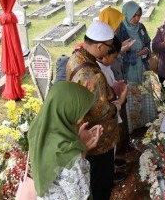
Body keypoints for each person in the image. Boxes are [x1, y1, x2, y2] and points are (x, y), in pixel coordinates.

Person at [66, 20, 128, 200]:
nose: (109, 51)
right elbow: (103, 111)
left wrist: (108, 90)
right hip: (99, 138)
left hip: (81, 127)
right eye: (109, 47)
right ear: (100, 46)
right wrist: (119, 101)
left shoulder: (76, 57)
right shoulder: (93, 74)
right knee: (101, 182)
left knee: (92, 177)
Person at [28, 81, 103, 200]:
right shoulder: (69, 153)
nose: (83, 117)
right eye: (81, 110)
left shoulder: (37, 130)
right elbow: (79, 195)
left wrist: (78, 142)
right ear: (68, 109)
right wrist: (79, 150)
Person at [116, 1, 155, 132]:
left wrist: (146, 52)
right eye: (133, 15)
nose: (136, 19)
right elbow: (118, 55)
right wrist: (136, 54)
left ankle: (145, 124)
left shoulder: (141, 27)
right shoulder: (120, 30)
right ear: (126, 14)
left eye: (139, 15)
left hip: (142, 68)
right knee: (133, 100)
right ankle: (133, 128)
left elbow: (148, 44)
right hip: (129, 72)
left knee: (145, 96)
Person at [96, 36, 128, 183]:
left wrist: (116, 85)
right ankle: (111, 173)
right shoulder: (97, 72)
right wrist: (117, 93)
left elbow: (110, 82)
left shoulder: (106, 66)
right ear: (104, 55)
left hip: (112, 109)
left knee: (113, 141)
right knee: (109, 143)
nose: (114, 60)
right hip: (108, 112)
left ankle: (113, 163)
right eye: (113, 57)